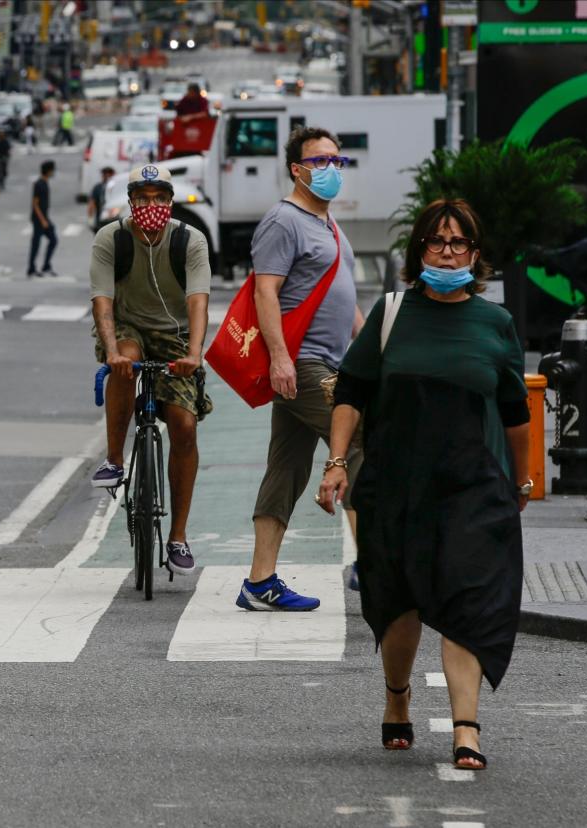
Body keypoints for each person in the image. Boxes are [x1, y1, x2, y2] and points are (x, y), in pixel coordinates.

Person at [318, 198, 530, 771]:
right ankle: (397, 695)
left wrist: (523, 479)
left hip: (473, 486)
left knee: (466, 600)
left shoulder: (496, 324)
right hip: (396, 485)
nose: (447, 251)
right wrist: (337, 463)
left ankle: (468, 728)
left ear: (475, 254)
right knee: (400, 603)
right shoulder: (391, 314)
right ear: (418, 252)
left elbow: (515, 412)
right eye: (436, 242)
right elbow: (351, 395)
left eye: (458, 243)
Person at [239, 125, 365, 612]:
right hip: (304, 362)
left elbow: (342, 295)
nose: (331, 169)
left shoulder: (329, 224)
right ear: (297, 169)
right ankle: (371, 568)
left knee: (286, 468)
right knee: (357, 440)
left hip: (328, 360)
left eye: (337, 161)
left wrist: (371, 346)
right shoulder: (283, 220)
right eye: (320, 162)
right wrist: (280, 357)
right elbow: (265, 291)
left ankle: (260, 582)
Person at [89, 164, 212, 574]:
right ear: (130, 202)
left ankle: (177, 535)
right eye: (143, 197)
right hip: (126, 325)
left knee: (184, 424)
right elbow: (103, 302)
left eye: (160, 197)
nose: (151, 205)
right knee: (124, 359)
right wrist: (111, 352)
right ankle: (114, 460)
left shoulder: (189, 240)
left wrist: (194, 354)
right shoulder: (111, 238)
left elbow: (198, 301)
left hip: (175, 333)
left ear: (171, 202)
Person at [28, 160, 58, 277]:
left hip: (44, 218)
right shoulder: (39, 184)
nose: (53, 172)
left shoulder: (45, 182)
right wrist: (43, 220)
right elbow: (35, 204)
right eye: (52, 170)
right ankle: (31, 268)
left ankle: (45, 265)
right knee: (36, 243)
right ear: (48, 171)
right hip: (39, 219)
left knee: (53, 240)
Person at [87, 166, 116, 233]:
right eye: (105, 174)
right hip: (101, 222)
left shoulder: (116, 187)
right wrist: (90, 218)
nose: (107, 176)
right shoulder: (98, 188)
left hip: (114, 220)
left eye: (109, 174)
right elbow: (92, 203)